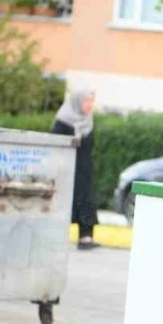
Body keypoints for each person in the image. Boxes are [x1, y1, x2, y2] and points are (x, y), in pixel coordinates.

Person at [53, 90, 99, 250]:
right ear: (77, 101)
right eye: (86, 101)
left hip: (84, 170)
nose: (89, 105)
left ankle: (86, 237)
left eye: (91, 101)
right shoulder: (63, 121)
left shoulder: (88, 121)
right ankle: (56, 238)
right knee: (63, 202)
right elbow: (56, 145)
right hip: (66, 169)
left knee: (86, 201)